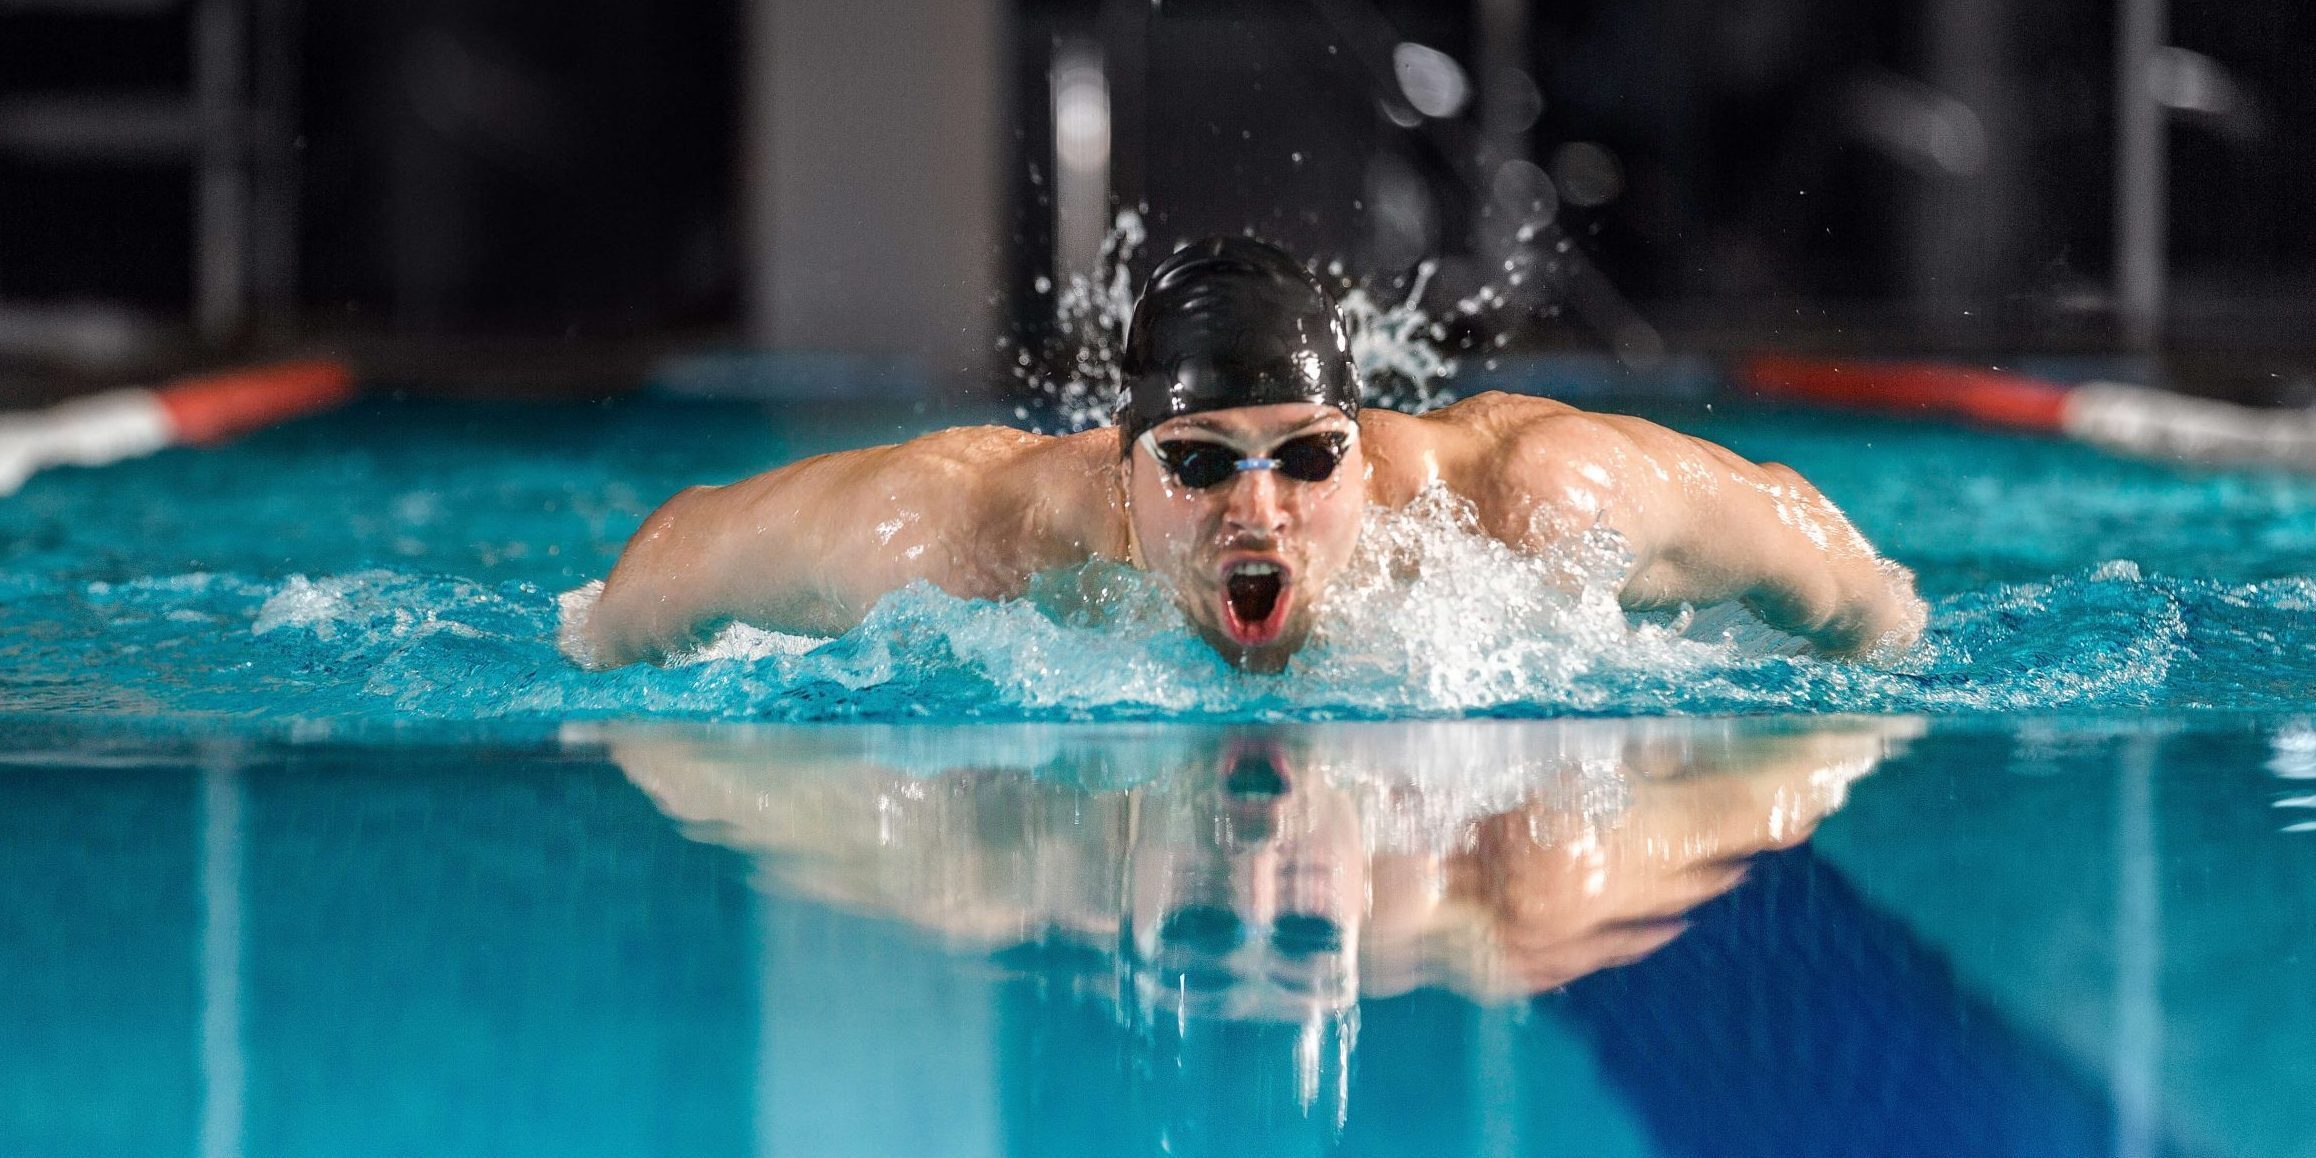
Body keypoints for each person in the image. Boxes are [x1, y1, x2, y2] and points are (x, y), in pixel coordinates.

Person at [567, 236, 1924, 672]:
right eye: (1201, 464)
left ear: (1366, 454)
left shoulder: (1528, 506)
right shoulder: (968, 534)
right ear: (1119, 469)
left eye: (1305, 458)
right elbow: (673, 557)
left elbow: (1836, 567)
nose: (1257, 510)